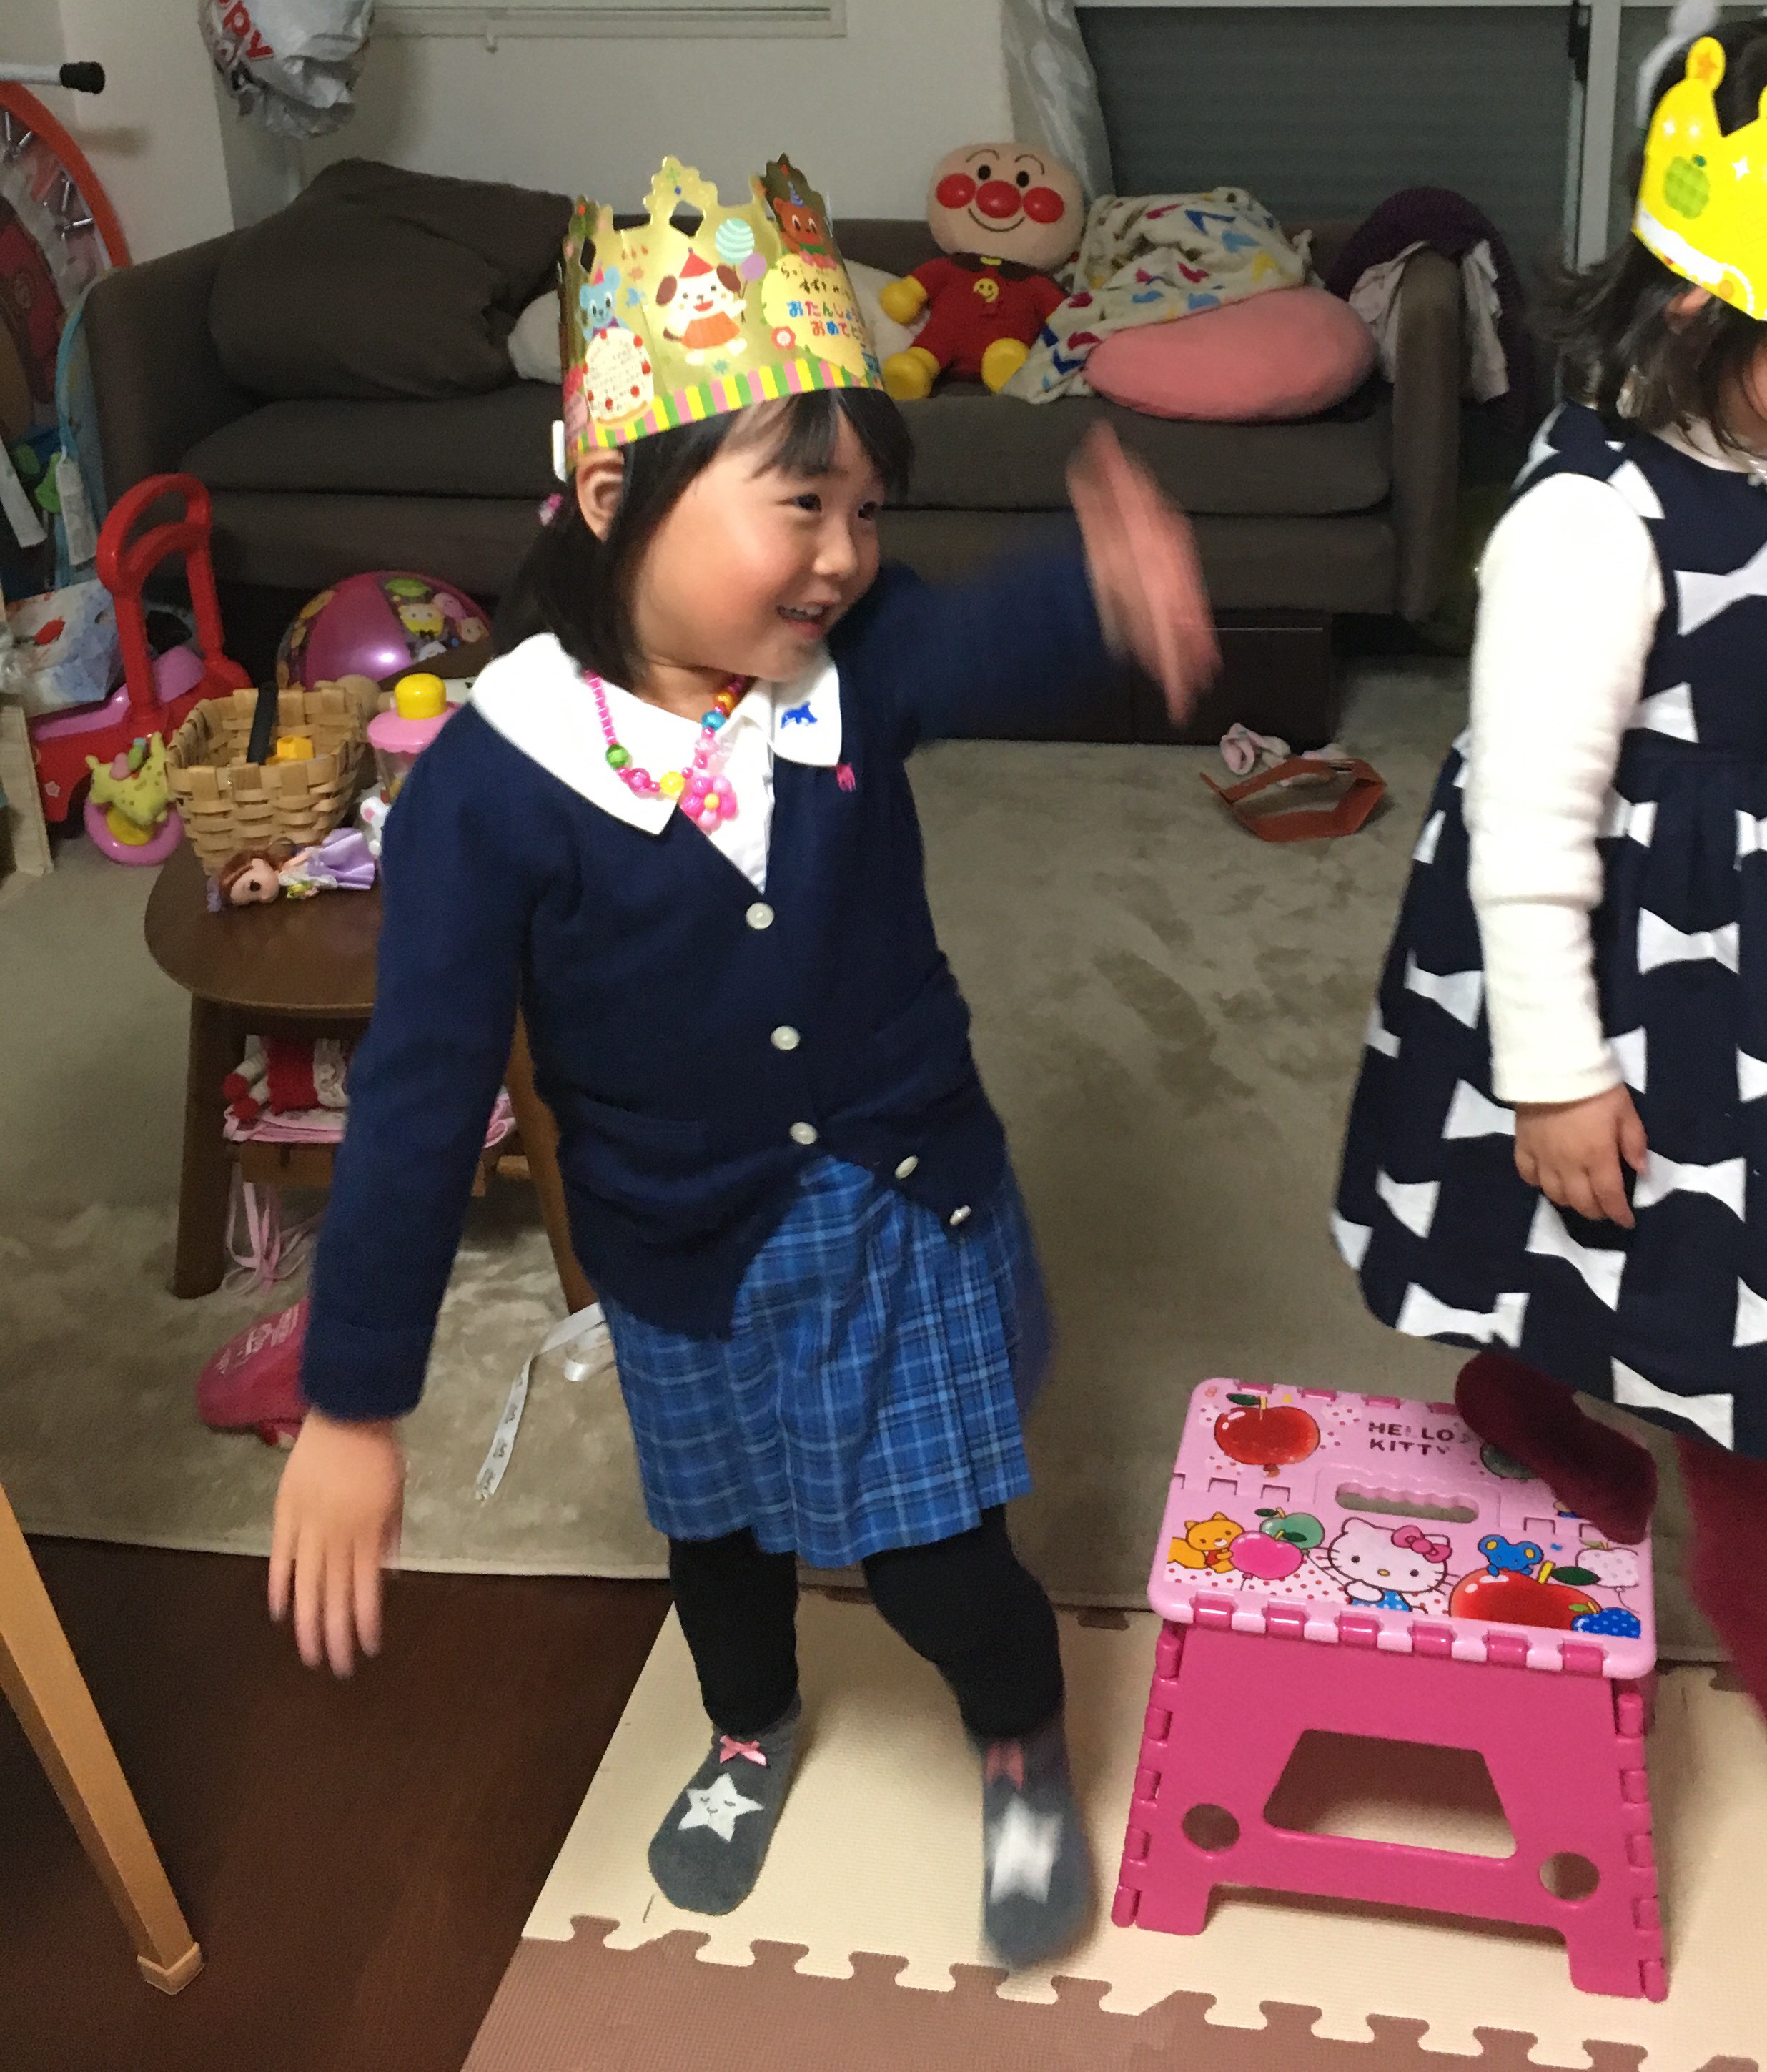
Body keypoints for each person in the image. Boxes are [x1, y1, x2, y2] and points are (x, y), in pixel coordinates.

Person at [269, 154, 1217, 1968]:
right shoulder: (495, 782)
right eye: (801, 504)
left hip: (900, 1205)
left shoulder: (854, 661)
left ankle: (1022, 1740)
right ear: (612, 497)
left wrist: (1108, 585)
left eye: (865, 507)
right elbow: (419, 1092)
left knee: (940, 1554)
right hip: (676, 1239)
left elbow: (977, 637)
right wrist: (352, 1397)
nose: (845, 552)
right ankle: (748, 1728)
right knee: (717, 1543)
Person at [1331, 4, 1767, 1775]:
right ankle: (1701, 1522)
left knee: (1748, 1223)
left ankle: (1577, 1421)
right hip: (1619, 944)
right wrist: (1554, 1067)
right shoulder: (1585, 526)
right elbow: (1527, 821)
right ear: (1713, 307)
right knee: (1661, 1219)